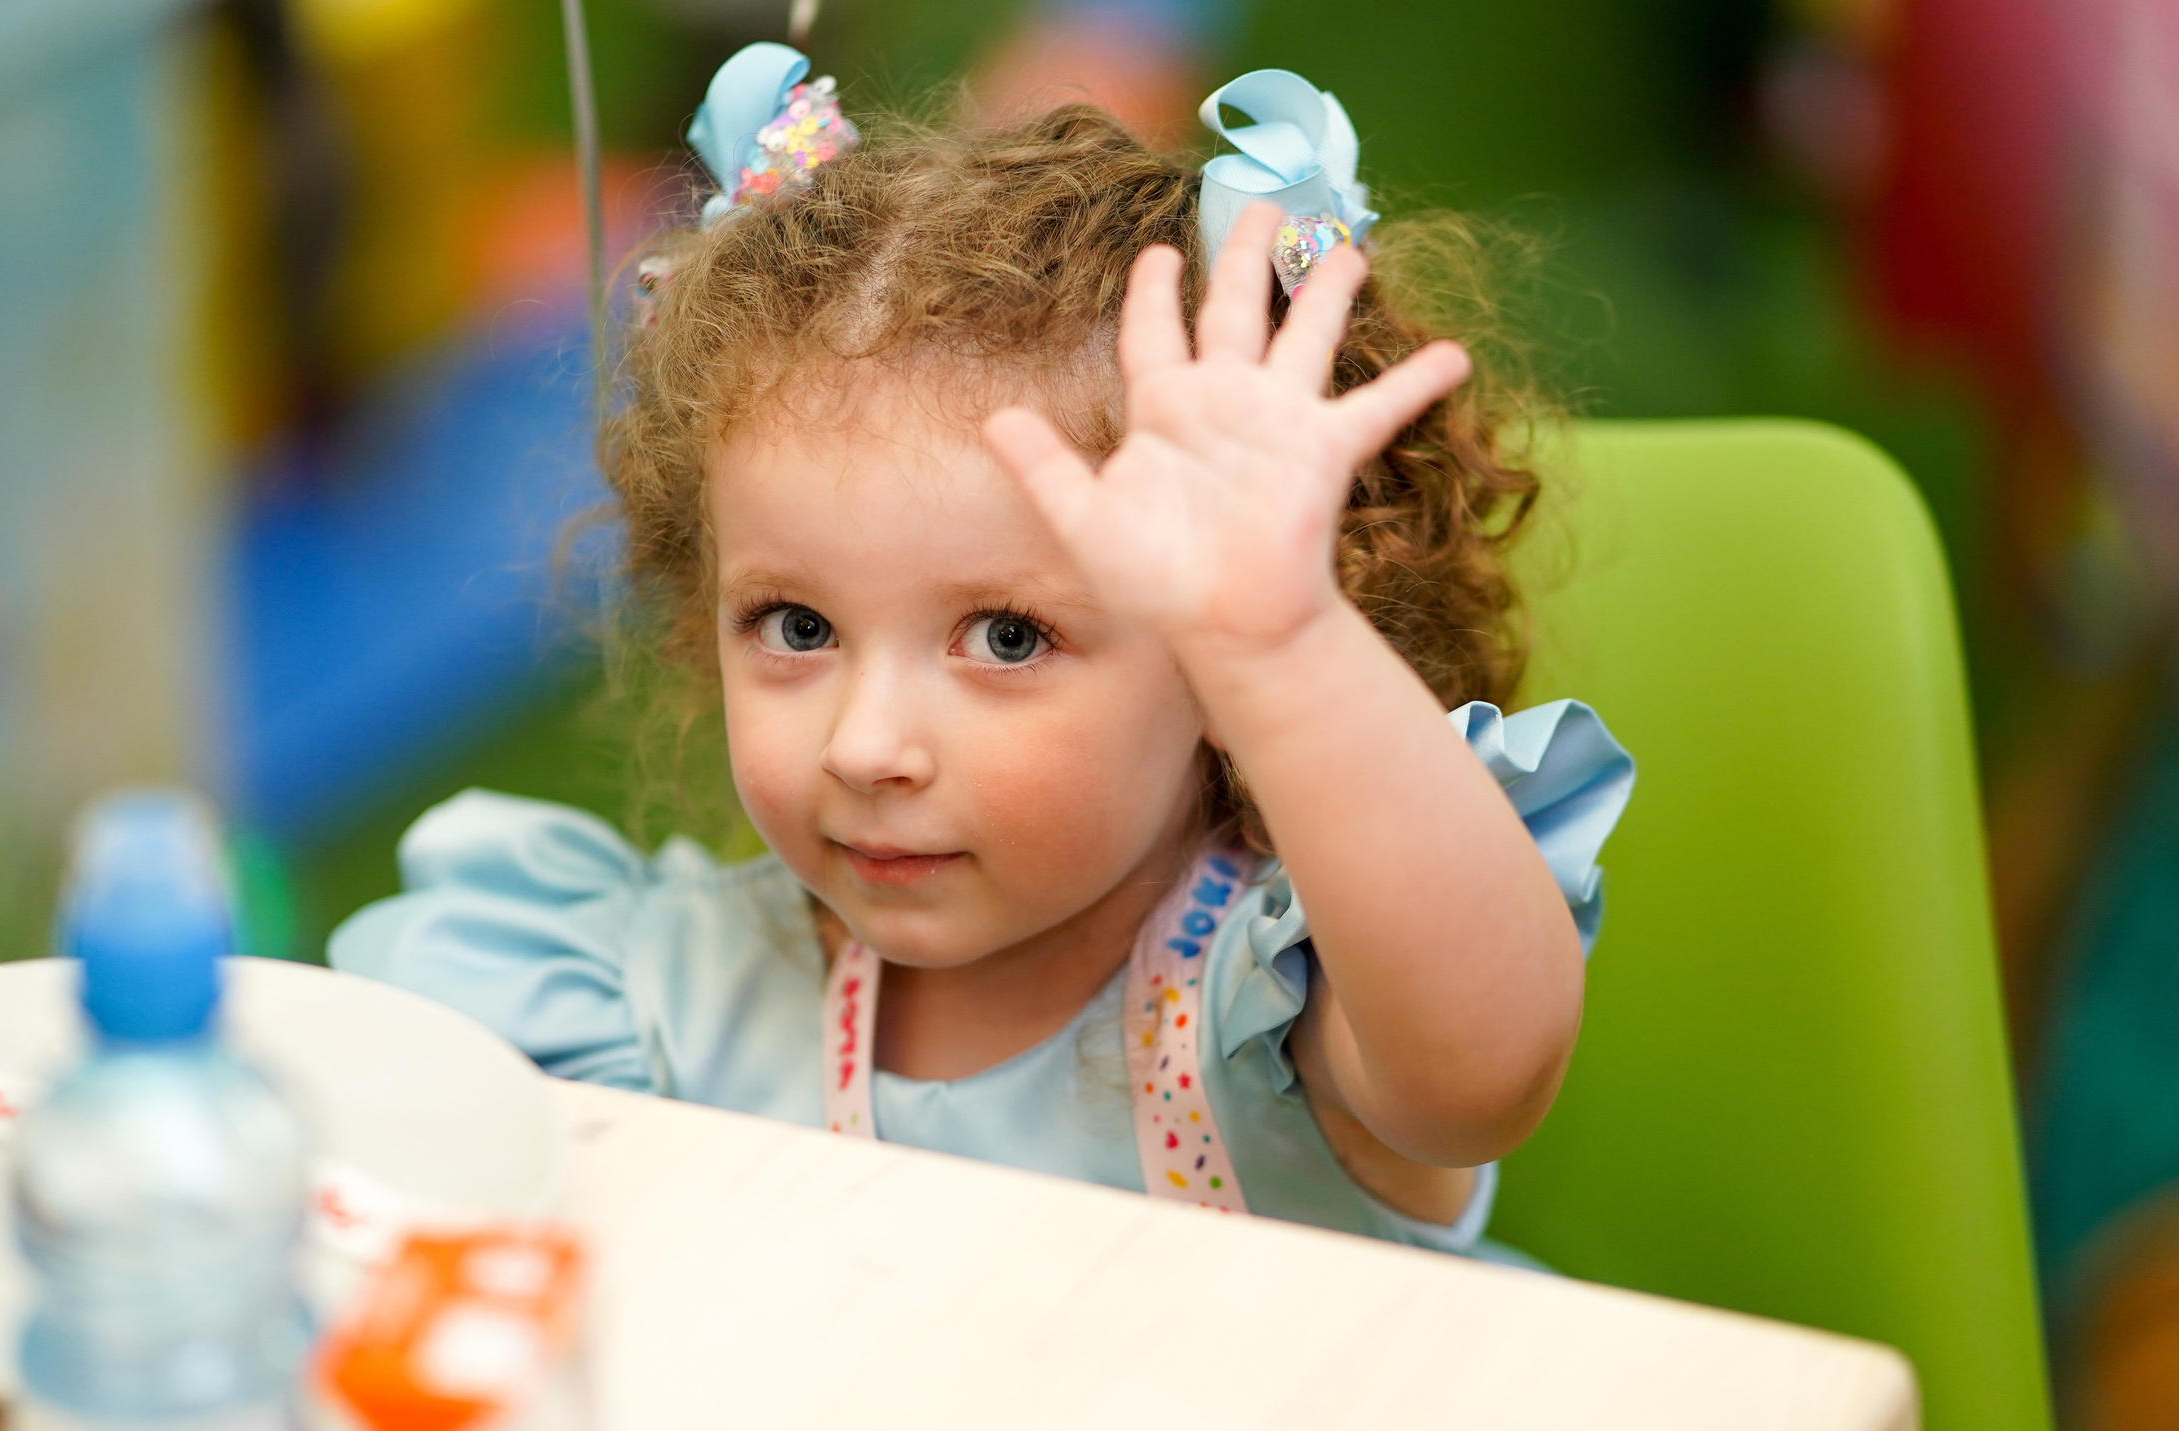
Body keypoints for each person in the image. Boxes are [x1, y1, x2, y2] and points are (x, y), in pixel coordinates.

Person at [330, 53, 1634, 1257]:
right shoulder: (664, 992)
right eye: (796, 627)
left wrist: (1285, 646)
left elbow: (1482, 1074)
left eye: (1007, 638)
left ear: (1211, 677)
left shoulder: (1274, 1012)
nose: (865, 745)